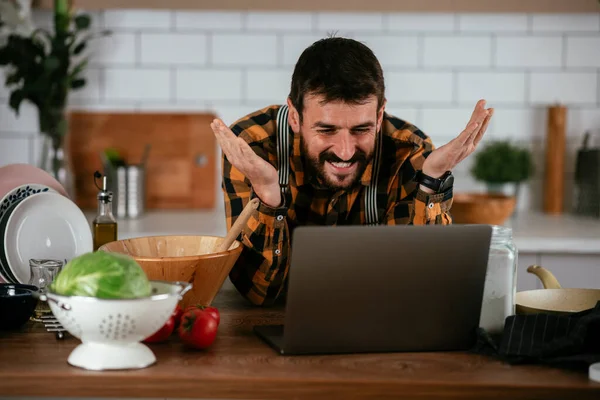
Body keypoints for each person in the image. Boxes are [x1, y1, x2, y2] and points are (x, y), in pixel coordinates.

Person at [210, 37, 493, 306]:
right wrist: (268, 193)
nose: (345, 152)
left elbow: (419, 284)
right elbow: (259, 294)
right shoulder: (252, 146)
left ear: (379, 116)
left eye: (361, 129)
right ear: (295, 116)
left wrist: (432, 180)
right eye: (326, 130)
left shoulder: (410, 152)